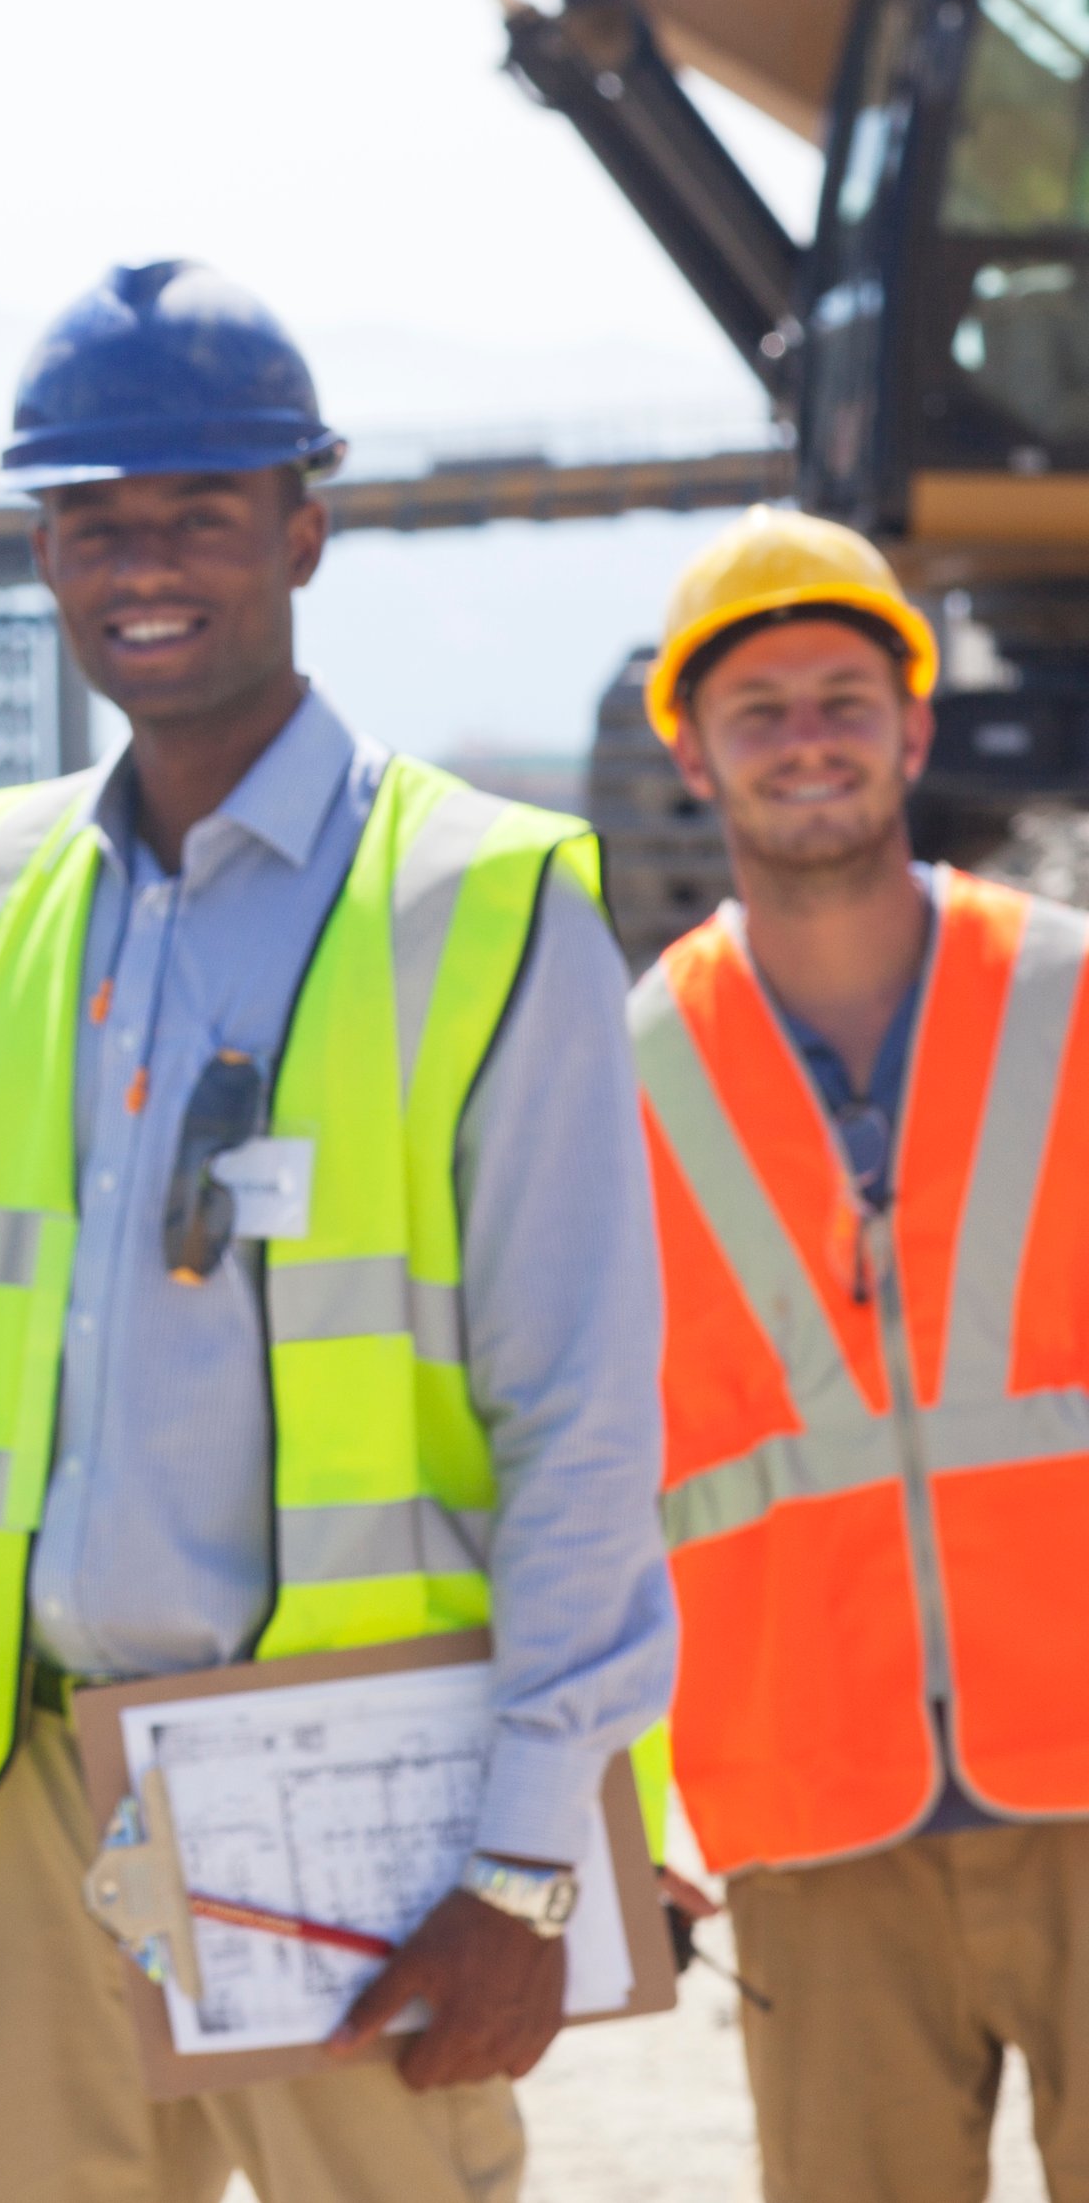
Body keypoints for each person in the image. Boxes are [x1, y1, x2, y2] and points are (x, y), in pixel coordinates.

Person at [0, 262, 678, 2202]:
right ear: (43, 546)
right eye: (96, 518)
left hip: (355, 1786)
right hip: (28, 1800)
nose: (146, 562)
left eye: (200, 513)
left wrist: (527, 1857)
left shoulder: (480, 899)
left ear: (306, 526)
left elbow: (584, 1416)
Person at [630, 511, 1089, 2200]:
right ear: (691, 748)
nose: (807, 738)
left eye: (843, 695)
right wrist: (624, 1799)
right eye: (761, 709)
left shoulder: (1072, 995)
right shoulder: (632, 1078)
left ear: (914, 724)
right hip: (805, 1815)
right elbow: (593, 1471)